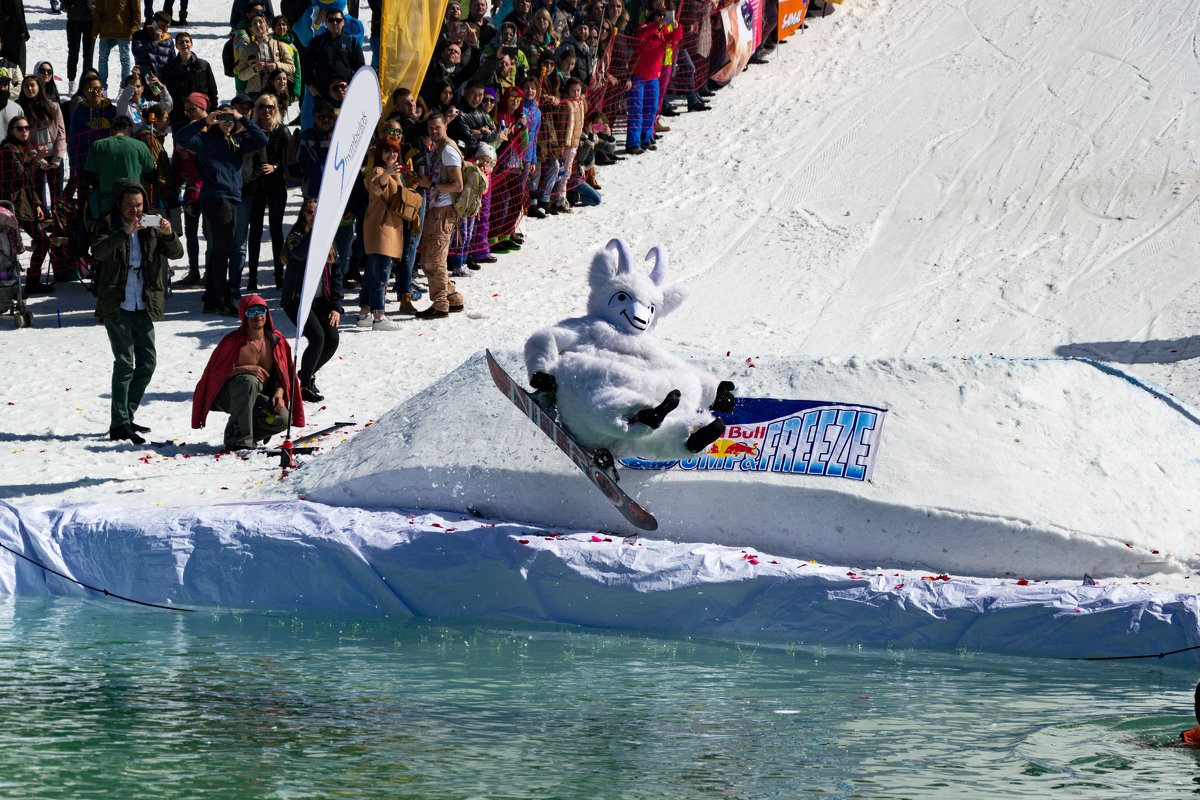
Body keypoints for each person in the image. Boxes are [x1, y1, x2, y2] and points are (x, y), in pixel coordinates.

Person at [91, 179, 182, 445]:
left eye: (139, 205)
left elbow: (177, 254)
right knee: (124, 363)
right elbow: (98, 252)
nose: (135, 210)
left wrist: (168, 233)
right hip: (116, 303)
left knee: (147, 363)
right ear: (119, 203)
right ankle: (119, 424)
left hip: (144, 304)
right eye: (130, 204)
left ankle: (125, 415)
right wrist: (124, 233)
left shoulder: (151, 225)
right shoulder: (107, 225)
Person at [174, 101, 267, 315]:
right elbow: (181, 137)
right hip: (216, 198)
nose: (226, 123)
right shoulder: (206, 139)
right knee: (222, 249)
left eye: (230, 119)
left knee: (222, 249)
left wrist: (242, 118)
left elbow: (261, 139)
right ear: (216, 119)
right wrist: (203, 122)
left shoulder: (237, 141)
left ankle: (212, 298)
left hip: (232, 197)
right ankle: (220, 299)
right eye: (222, 118)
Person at [191, 294, 303, 451]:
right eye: (251, 312)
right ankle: (238, 440)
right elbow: (215, 376)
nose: (257, 315)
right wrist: (245, 369)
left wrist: (279, 393)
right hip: (228, 396)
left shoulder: (277, 341)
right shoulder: (232, 342)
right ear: (243, 317)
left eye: (261, 310)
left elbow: (281, 377)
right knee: (249, 381)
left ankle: (242, 434)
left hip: (256, 396)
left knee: (283, 419)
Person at [280, 197, 342, 401]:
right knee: (317, 338)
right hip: (296, 300)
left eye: (317, 212)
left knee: (332, 339)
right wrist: (314, 231)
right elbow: (297, 254)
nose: (313, 216)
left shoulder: (329, 238)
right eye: (309, 212)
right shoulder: (295, 236)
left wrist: (336, 307)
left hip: (320, 301)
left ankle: (306, 374)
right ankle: (305, 384)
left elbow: (337, 275)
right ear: (302, 215)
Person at [411, 111, 464, 319]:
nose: (433, 131)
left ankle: (440, 304)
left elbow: (457, 184)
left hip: (443, 210)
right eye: (430, 128)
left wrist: (431, 184)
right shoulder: (440, 148)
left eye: (437, 127)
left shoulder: (447, 151)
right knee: (431, 259)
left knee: (434, 261)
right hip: (438, 208)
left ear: (445, 127)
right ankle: (453, 298)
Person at [0, 115, 51, 293]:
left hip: (25, 205)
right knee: (8, 248)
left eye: (27, 128)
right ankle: (10, 285)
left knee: (43, 241)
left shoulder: (25, 148)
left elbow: (29, 183)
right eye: (20, 128)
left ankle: (32, 282)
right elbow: (20, 176)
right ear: (11, 131)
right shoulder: (7, 149)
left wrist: (37, 204)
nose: (24, 131)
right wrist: (36, 161)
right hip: (9, 207)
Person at [245, 92, 290, 288]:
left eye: (270, 107)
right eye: (262, 107)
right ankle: (252, 277)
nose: (266, 110)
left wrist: (276, 167)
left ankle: (279, 276)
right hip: (256, 185)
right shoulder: (251, 130)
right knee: (254, 231)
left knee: (276, 231)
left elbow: (289, 161)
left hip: (276, 184)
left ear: (276, 109)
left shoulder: (282, 131)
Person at [81, 114, 156, 223]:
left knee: (111, 238)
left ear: (112, 129)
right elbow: (151, 177)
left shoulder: (98, 145)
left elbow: (89, 176)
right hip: (134, 207)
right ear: (129, 129)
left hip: (107, 206)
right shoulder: (141, 146)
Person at [169, 91, 206, 286]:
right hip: (191, 192)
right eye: (187, 111)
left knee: (210, 234)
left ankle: (211, 272)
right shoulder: (185, 132)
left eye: (193, 109)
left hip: (208, 191)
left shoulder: (213, 130)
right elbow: (177, 161)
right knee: (191, 233)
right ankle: (193, 271)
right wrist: (179, 180)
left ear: (203, 108)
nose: (189, 114)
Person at [17, 75, 67, 208]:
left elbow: (61, 133)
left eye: (32, 85)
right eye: (26, 86)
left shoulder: (54, 106)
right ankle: (43, 221)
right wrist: (38, 158)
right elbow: (23, 139)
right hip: (35, 159)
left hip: (55, 158)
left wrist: (57, 158)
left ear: (39, 87)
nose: (29, 88)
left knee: (57, 195)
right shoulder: (21, 110)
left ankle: (58, 223)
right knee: (38, 195)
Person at [160, 31, 218, 133]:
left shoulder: (203, 65)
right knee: (181, 147)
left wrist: (212, 110)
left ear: (191, 44)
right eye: (181, 42)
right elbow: (166, 93)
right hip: (179, 116)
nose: (184, 44)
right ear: (176, 46)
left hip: (202, 114)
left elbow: (212, 89)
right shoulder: (169, 68)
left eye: (187, 41)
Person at [66, 73, 116, 182]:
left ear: (102, 90)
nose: (95, 92)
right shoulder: (79, 112)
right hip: (87, 167)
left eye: (98, 89)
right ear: (84, 92)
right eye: (90, 90)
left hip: (110, 166)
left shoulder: (112, 111)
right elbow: (73, 141)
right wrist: (77, 168)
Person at [237, 12, 296, 96]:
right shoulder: (247, 49)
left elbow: (291, 68)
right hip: (255, 94)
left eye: (261, 22)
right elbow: (241, 75)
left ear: (267, 25)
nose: (258, 25)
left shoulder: (279, 45)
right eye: (254, 23)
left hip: (277, 92)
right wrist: (254, 69)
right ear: (251, 28)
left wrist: (277, 65)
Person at [93, 0, 141, 96]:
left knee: (125, 59)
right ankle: (102, 88)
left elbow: (136, 10)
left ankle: (124, 88)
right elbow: (98, 9)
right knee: (102, 58)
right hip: (106, 29)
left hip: (124, 30)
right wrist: (95, 29)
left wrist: (135, 29)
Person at [65, 0, 98, 92]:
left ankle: (86, 82)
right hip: (74, 18)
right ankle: (71, 80)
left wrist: (95, 5)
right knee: (73, 52)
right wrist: (69, 5)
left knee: (88, 54)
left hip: (91, 18)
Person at [132, 12, 176, 79]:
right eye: (162, 26)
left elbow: (173, 63)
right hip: (145, 79)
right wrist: (155, 42)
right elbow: (137, 52)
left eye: (167, 26)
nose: (165, 29)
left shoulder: (169, 41)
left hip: (162, 82)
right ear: (154, 23)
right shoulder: (140, 35)